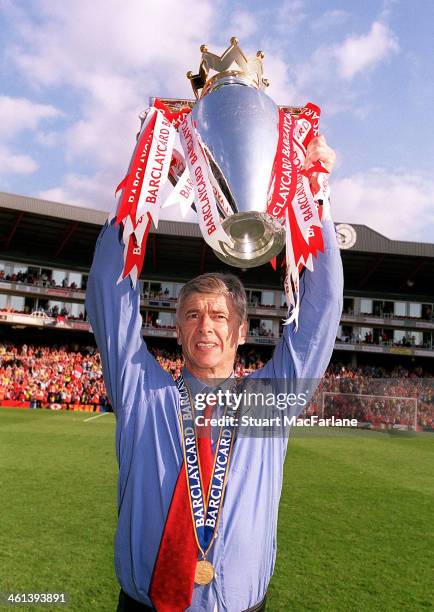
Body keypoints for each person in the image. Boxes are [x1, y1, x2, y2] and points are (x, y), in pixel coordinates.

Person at [85, 136, 343, 611]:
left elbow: (323, 309)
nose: (206, 326)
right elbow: (108, 290)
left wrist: (314, 198)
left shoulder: (271, 401)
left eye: (220, 316)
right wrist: (144, 183)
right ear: (177, 331)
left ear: (242, 331)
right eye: (193, 315)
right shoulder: (142, 393)